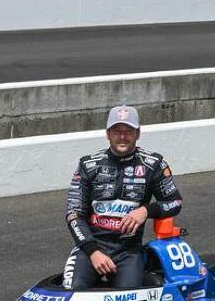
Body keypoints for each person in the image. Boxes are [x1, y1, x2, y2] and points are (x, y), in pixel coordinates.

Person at [63, 105, 183, 290]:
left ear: (138, 133)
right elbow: (73, 214)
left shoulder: (154, 164)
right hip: (90, 248)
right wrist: (93, 251)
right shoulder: (88, 165)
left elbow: (175, 202)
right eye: (117, 131)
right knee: (71, 296)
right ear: (108, 134)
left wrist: (146, 211)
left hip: (128, 251)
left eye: (128, 131)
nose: (122, 136)